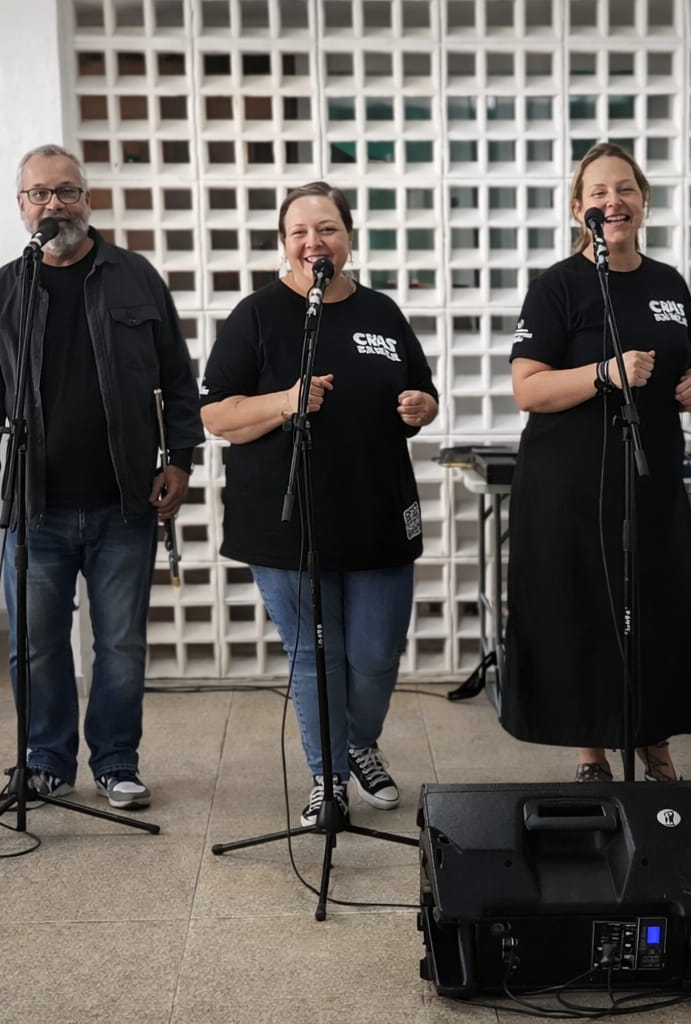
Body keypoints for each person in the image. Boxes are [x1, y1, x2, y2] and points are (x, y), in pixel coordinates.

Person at [0, 144, 203, 809]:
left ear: (87, 201)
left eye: (66, 191)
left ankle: (116, 762)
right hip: (35, 508)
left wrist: (180, 459)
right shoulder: (2, 291)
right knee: (36, 646)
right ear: (21, 206)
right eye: (39, 193)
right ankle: (45, 762)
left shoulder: (134, 277)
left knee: (120, 645)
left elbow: (178, 380)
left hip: (124, 503)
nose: (54, 205)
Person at [199, 181, 438, 826]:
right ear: (284, 244)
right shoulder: (257, 315)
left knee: (377, 654)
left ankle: (359, 742)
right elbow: (216, 415)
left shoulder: (382, 312)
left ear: (348, 237)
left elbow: (423, 390)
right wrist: (287, 401)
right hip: (286, 522)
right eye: (300, 232)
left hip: (378, 511)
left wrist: (423, 407)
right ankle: (327, 777)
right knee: (314, 655)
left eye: (327, 228)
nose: (314, 242)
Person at [501, 142, 691, 784]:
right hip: (572, 485)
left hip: (650, 478)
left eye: (624, 189)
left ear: (643, 201)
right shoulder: (557, 287)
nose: (612, 202)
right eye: (598, 192)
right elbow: (527, 388)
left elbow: (684, 363)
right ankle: (590, 753)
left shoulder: (669, 284)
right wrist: (604, 372)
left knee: (655, 607)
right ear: (578, 209)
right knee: (584, 610)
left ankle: (655, 742)